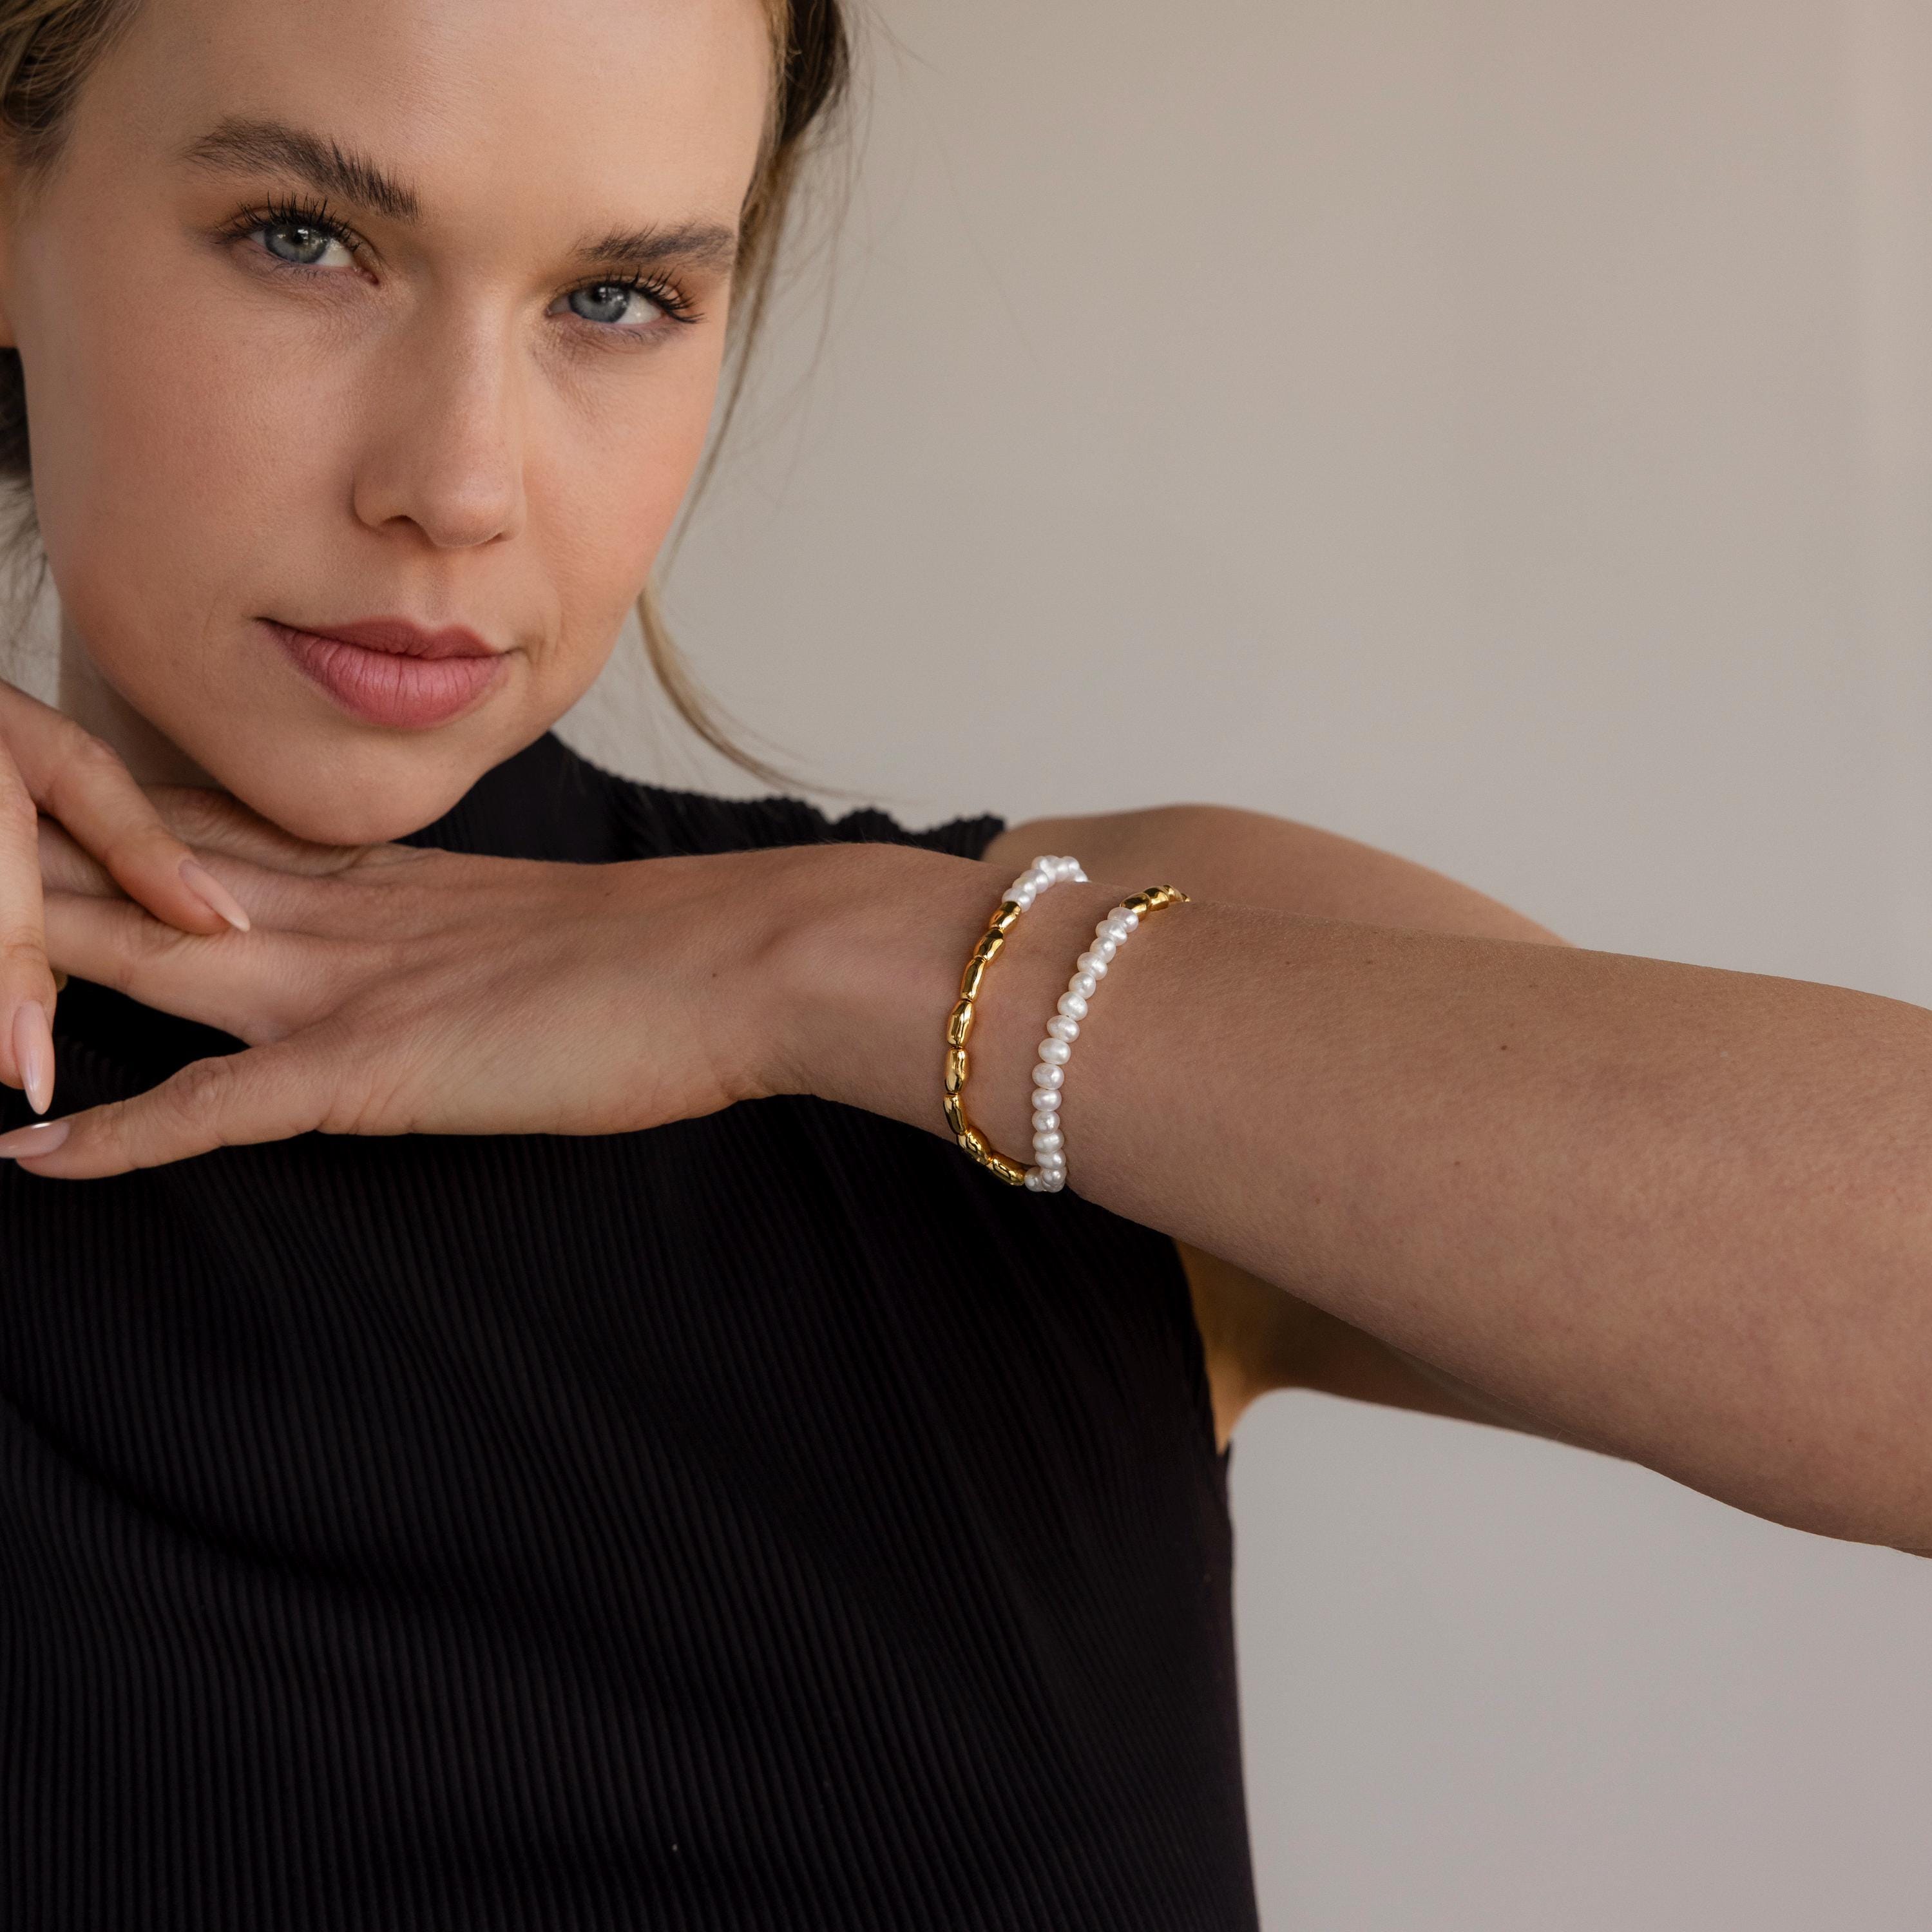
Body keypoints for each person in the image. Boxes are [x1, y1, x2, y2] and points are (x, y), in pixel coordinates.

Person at [0, 0, 1924, 1925]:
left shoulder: (1028, 996)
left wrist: (848, 973)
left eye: (616, 297)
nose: (463, 482)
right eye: (307, 239)